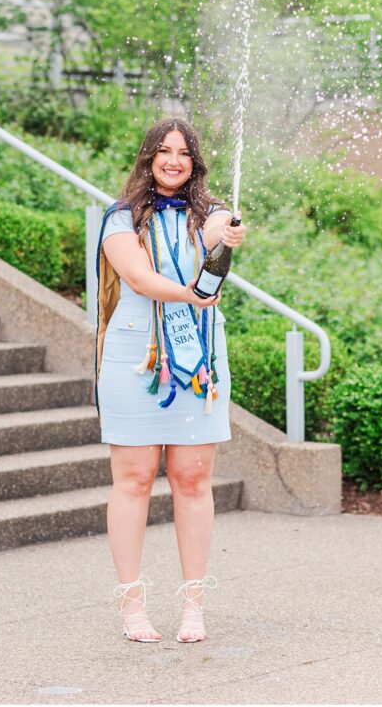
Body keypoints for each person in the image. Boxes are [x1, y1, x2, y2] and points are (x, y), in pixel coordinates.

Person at [94, 117, 246, 644]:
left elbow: (211, 247)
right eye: (163, 151)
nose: (173, 160)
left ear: (194, 160)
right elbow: (138, 277)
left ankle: (193, 607)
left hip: (198, 355)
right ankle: (133, 606)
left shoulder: (209, 216)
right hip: (134, 354)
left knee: (192, 479)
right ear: (148, 158)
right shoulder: (119, 219)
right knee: (133, 480)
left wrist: (226, 238)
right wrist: (188, 294)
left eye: (183, 152)